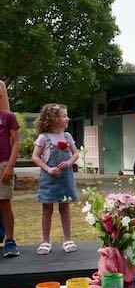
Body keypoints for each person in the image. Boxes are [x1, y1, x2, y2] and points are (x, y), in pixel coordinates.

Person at [31, 103, 80, 255]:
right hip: (49, 179)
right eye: (64, 116)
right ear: (53, 119)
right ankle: (45, 241)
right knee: (47, 209)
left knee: (64, 208)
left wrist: (69, 162)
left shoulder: (67, 136)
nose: (68, 118)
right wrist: (48, 169)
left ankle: (67, 239)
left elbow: (75, 154)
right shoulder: (43, 138)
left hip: (65, 178)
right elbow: (35, 157)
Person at [0, 80, 20, 257]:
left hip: (3, 165)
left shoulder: (7, 117)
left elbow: (16, 142)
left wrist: (10, 165)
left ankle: (10, 241)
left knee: (5, 203)